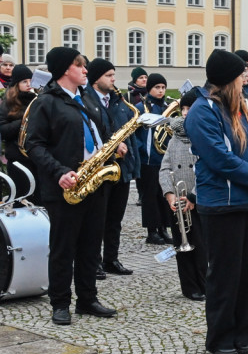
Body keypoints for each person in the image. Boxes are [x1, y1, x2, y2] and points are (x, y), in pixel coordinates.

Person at [23, 47, 123, 325]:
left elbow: (99, 132)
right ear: (66, 69)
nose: (85, 70)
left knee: (91, 246)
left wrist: (112, 147)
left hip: (94, 182)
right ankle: (60, 303)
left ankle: (87, 299)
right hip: (65, 186)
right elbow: (34, 144)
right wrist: (59, 172)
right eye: (80, 65)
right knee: (63, 248)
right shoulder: (46, 102)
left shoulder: (87, 98)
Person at [184, 50, 248, 354]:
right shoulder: (202, 112)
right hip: (220, 202)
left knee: (246, 273)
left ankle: (240, 335)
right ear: (226, 80)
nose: (244, 81)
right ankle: (220, 337)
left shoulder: (238, 106)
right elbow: (220, 159)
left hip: (244, 200)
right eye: (240, 76)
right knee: (224, 274)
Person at [83, 59, 139, 276]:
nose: (113, 79)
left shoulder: (119, 101)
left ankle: (111, 259)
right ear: (95, 79)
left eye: (113, 75)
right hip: (100, 168)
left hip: (121, 167)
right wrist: (113, 146)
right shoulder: (86, 101)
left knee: (115, 219)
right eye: (108, 75)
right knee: (97, 219)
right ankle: (93, 261)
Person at [159, 89, 207, 301]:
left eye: (191, 108)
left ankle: (205, 283)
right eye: (184, 109)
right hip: (177, 202)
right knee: (182, 246)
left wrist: (193, 197)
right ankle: (189, 286)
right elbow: (164, 168)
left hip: (197, 200)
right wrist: (169, 194)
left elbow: (207, 169)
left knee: (202, 245)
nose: (186, 113)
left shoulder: (204, 135)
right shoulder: (174, 138)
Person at [135, 73, 174, 245]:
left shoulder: (166, 107)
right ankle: (152, 231)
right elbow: (135, 133)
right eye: (157, 87)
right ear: (149, 89)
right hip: (148, 160)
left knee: (164, 194)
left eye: (163, 87)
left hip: (164, 159)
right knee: (150, 196)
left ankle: (163, 229)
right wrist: (142, 149)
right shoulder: (141, 107)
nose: (161, 91)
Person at [0, 65, 38, 203]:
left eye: (30, 81)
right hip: (18, 159)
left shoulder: (37, 100)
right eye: (24, 81)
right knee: (22, 200)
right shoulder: (8, 103)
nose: (29, 84)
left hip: (36, 158)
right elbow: (3, 131)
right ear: (16, 84)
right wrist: (23, 121)